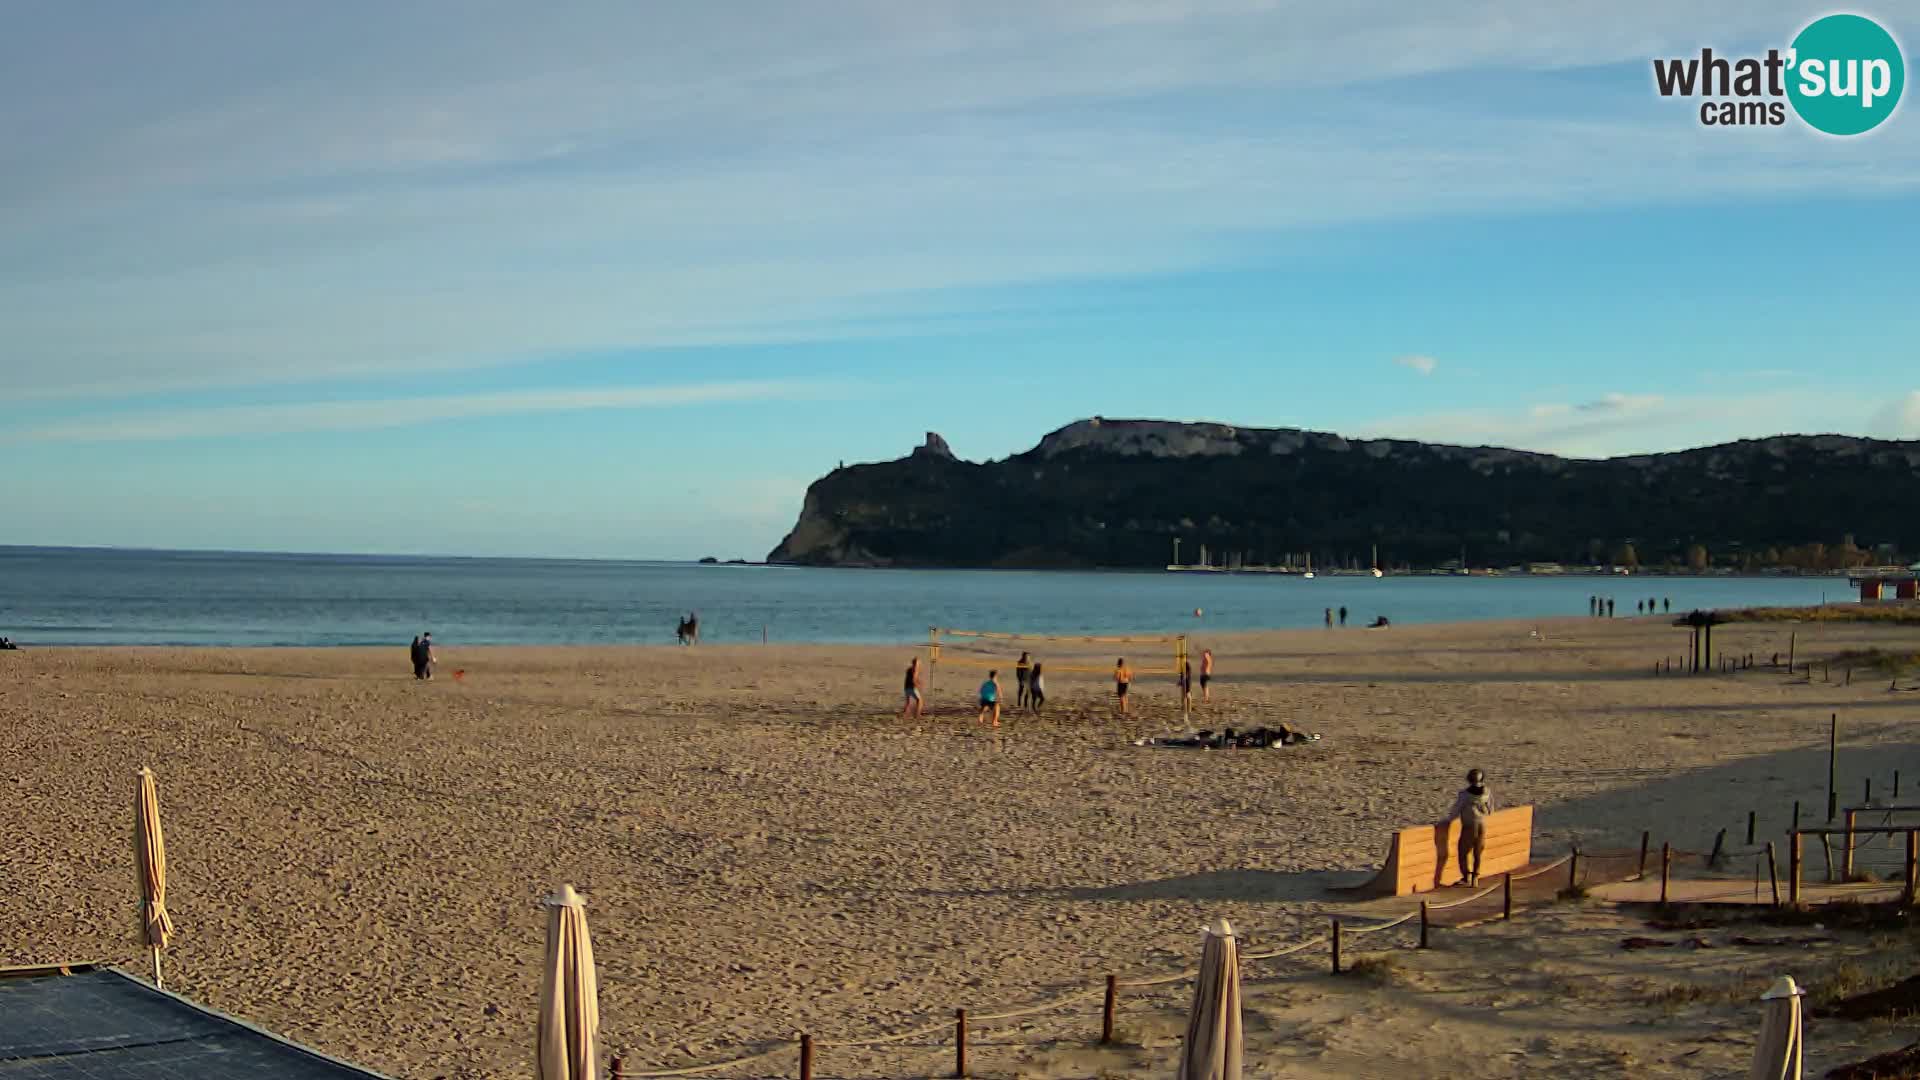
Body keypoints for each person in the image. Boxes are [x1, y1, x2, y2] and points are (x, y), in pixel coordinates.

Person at [1442, 768, 1494, 887]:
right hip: (1481, 825)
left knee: (1463, 852)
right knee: (1477, 852)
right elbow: (1491, 810)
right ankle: (1475, 877)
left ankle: (1466, 877)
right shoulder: (1487, 792)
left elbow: (1456, 811)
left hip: (1469, 825)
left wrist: (1447, 821)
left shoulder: (1465, 795)